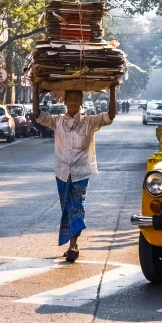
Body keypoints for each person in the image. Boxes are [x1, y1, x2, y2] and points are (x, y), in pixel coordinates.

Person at [32, 84, 117, 262]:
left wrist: (112, 90)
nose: (72, 103)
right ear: (64, 100)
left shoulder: (90, 121)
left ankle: (73, 246)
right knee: (66, 209)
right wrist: (35, 88)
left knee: (77, 207)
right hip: (62, 172)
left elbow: (110, 116)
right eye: (69, 99)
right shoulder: (57, 121)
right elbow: (38, 115)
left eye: (76, 99)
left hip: (81, 172)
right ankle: (72, 243)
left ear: (81, 102)